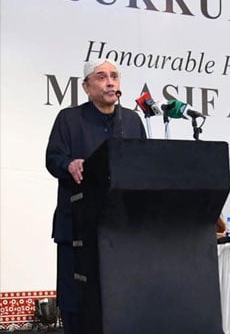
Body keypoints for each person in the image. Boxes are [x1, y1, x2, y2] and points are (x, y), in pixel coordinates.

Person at [45, 59, 146, 334]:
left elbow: (145, 165)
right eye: (101, 77)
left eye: (114, 76)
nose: (110, 82)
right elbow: (53, 158)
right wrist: (69, 164)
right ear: (87, 86)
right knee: (78, 303)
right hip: (76, 228)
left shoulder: (133, 121)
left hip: (121, 232)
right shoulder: (69, 119)